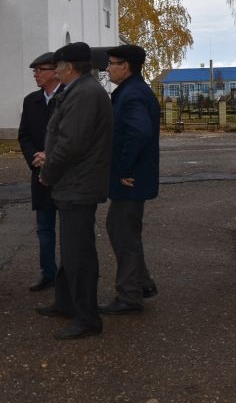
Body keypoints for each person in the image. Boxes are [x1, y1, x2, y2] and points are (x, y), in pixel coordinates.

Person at [34, 42, 112, 340]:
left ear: (69, 67)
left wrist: (48, 171)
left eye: (57, 66)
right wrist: (50, 156)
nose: (54, 71)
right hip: (75, 183)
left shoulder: (84, 93)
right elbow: (67, 140)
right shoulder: (82, 91)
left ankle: (87, 319)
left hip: (78, 185)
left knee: (79, 254)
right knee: (71, 250)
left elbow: (73, 143)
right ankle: (66, 303)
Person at [100, 44, 160, 315]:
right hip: (133, 177)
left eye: (112, 63)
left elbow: (139, 132)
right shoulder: (131, 91)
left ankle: (129, 296)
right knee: (121, 228)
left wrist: (124, 169)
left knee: (123, 233)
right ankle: (141, 283)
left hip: (130, 179)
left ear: (126, 67)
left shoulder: (132, 94)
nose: (108, 68)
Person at [17, 52, 63, 292]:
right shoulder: (31, 100)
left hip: (65, 174)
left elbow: (74, 136)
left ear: (56, 71)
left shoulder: (69, 97)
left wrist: (51, 157)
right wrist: (34, 158)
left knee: (68, 229)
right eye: (34, 71)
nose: (36, 74)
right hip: (40, 174)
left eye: (40, 70)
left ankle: (68, 274)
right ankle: (48, 273)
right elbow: (24, 135)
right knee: (44, 228)